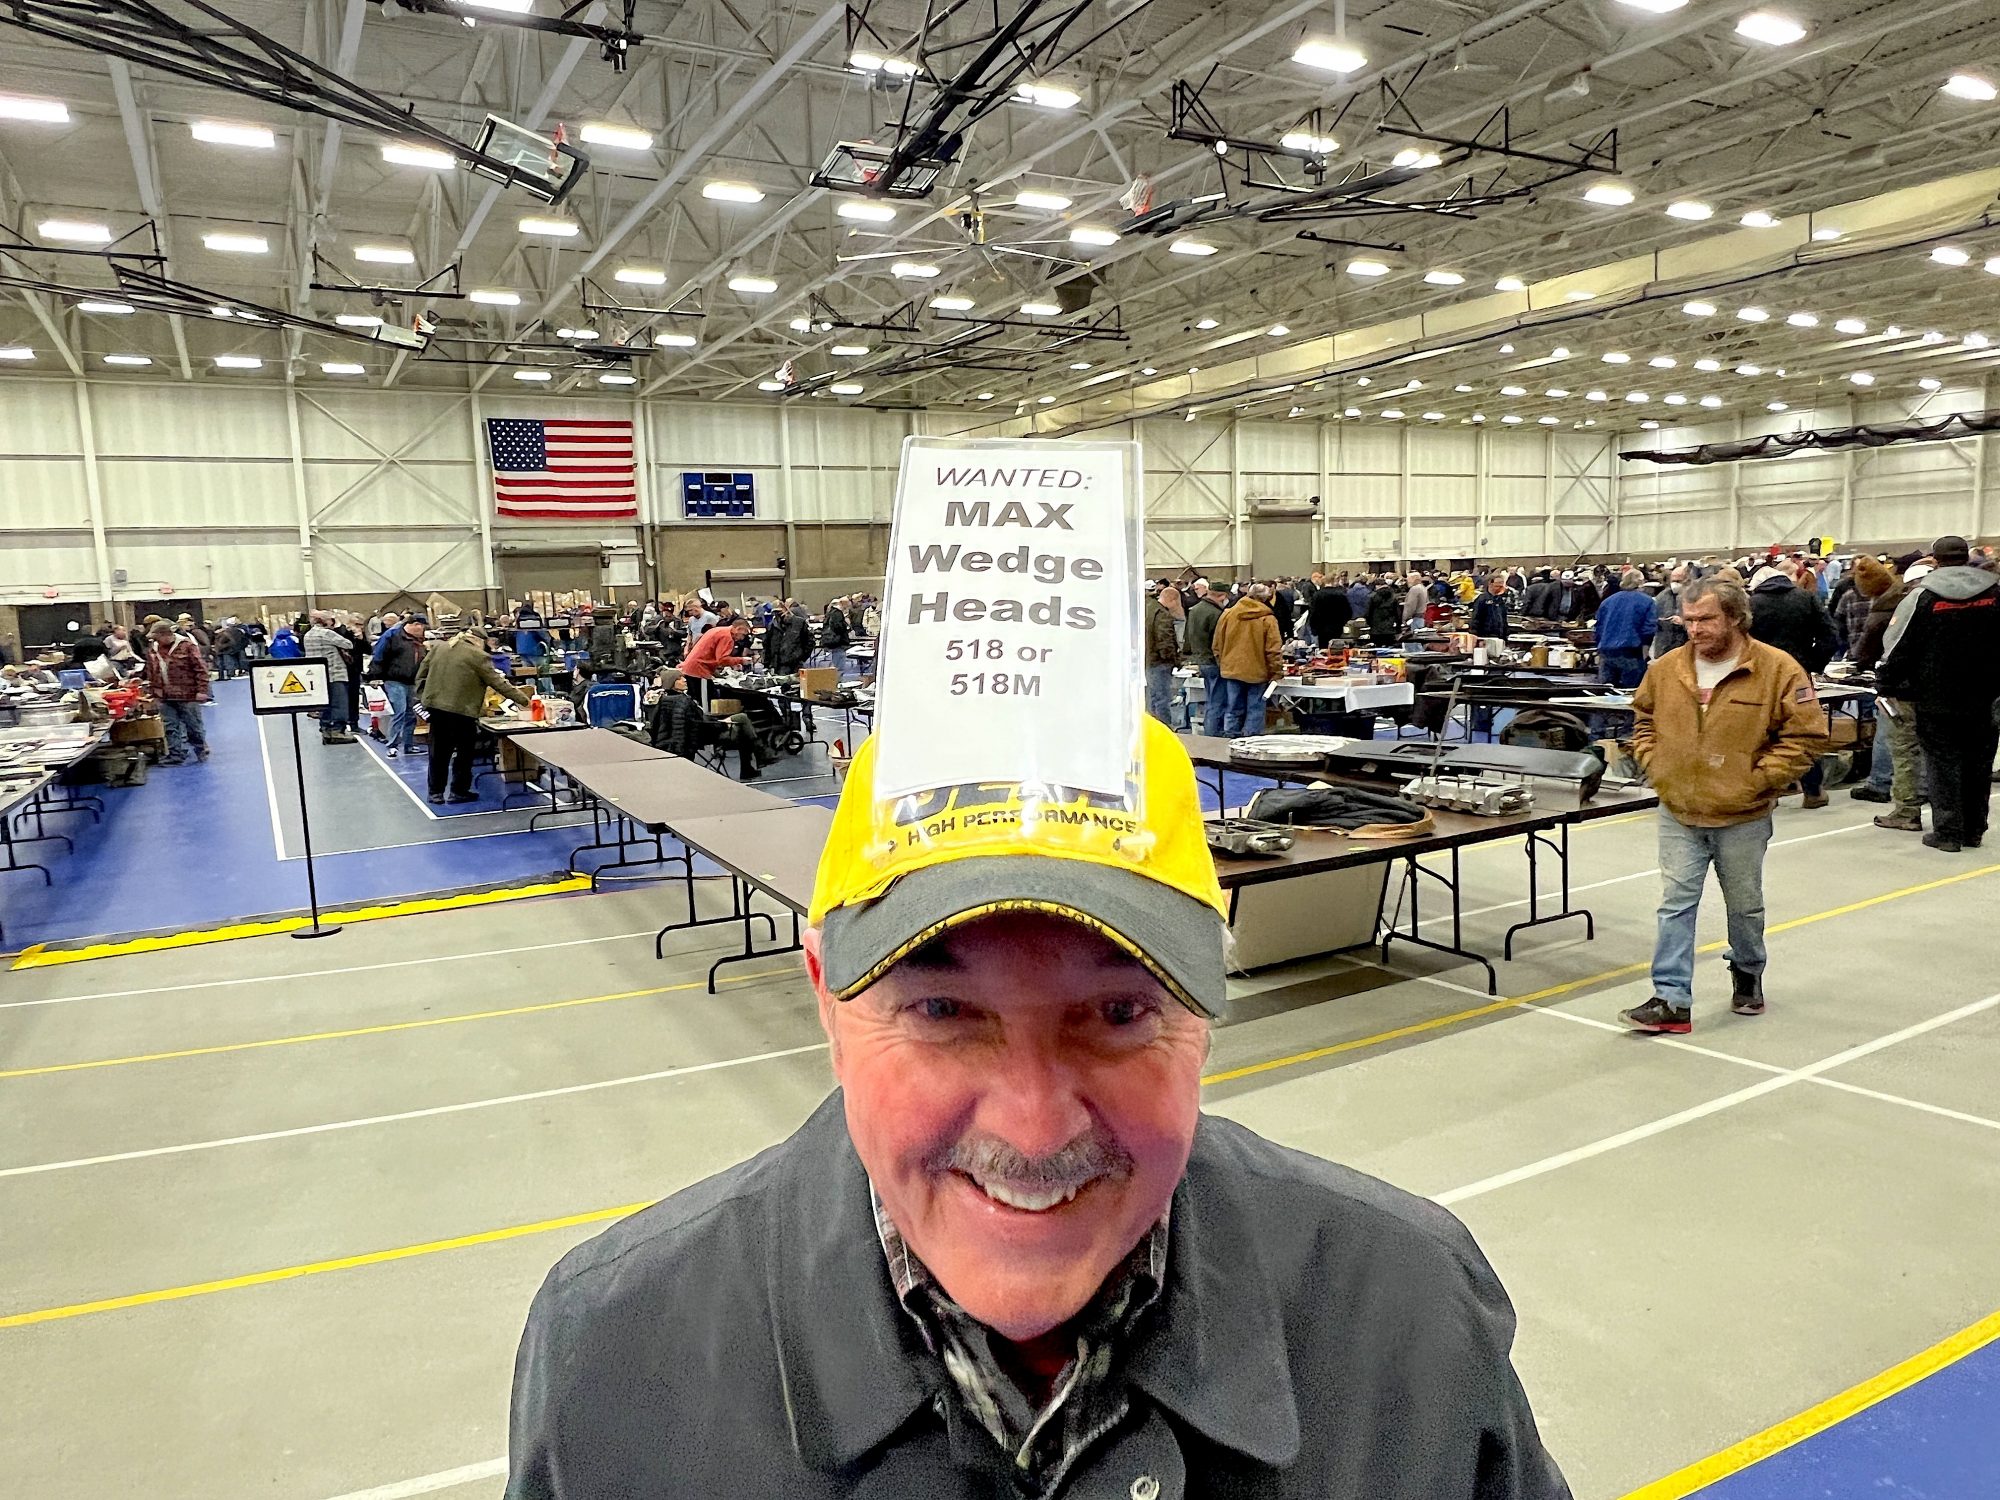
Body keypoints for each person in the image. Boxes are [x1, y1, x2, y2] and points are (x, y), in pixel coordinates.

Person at [504, 720, 1570, 1500]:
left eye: (1115, 1012)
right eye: (942, 1010)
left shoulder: (1407, 1311)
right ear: (826, 999)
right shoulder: (616, 1352)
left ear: (1206, 1011)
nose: (1032, 1130)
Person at [1621, 577, 1827, 1034]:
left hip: (1743, 813)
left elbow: (1807, 735)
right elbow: (1643, 718)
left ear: (1736, 617)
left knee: (1744, 905)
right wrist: (1656, 764)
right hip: (1679, 807)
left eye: (1707, 619)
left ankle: (1748, 972)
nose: (1696, 629)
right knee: (1675, 902)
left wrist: (1758, 780)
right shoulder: (1667, 668)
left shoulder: (1778, 669)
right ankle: (1671, 999)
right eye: (1689, 620)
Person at [1875, 535, 2000, 851]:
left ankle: (1948, 833)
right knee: (1978, 764)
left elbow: (1898, 646)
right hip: (1986, 697)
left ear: (1935, 559)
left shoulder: (1923, 597)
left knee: (1943, 765)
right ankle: (1974, 829)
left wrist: (1886, 682)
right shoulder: (1995, 592)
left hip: (1936, 697)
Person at [1746, 561, 1837, 809]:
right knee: (1802, 731)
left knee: (1760, 733)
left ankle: (1768, 792)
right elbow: (1831, 635)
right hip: (1799, 675)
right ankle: (1813, 790)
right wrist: (1812, 663)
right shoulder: (1807, 599)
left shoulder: (1751, 605)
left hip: (1759, 677)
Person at [415, 623, 531, 804]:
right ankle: (458, 792)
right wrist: (525, 701)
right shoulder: (478, 656)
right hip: (462, 711)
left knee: (438, 752)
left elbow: (421, 674)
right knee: (464, 753)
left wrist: (424, 697)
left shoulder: (439, 647)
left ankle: (435, 792)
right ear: (479, 641)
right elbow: (498, 683)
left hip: (436, 708)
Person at [646, 672, 769, 781]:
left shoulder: (665, 700)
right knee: (742, 722)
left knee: (742, 724)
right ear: (672, 683)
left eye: (683, 677)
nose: (684, 680)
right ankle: (757, 758)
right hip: (705, 735)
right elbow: (700, 725)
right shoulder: (684, 701)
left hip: (696, 733)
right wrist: (722, 724)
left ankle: (756, 760)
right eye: (679, 678)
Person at [1209, 581, 1282, 737]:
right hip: (1257, 672)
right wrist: (1276, 672)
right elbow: (1273, 650)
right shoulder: (1267, 619)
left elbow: (1216, 643)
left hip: (1231, 670)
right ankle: (1251, 741)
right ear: (1265, 599)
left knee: (1233, 707)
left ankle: (1230, 738)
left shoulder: (1228, 614)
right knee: (1255, 708)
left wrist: (1223, 662)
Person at [141, 621, 211, 764]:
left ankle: (200, 749)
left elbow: (200, 669)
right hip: (163, 695)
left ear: (166, 635)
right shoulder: (153, 648)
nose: (154, 640)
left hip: (187, 694)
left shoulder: (187, 646)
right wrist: (151, 689)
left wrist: (202, 690)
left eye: (156, 637)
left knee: (193, 726)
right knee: (169, 726)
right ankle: (175, 754)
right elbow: (150, 669)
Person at [372, 614, 428, 759]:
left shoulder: (419, 640)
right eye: (422, 626)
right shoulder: (392, 636)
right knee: (399, 712)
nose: (423, 630)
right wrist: (375, 676)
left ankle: (409, 745)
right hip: (394, 680)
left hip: (412, 681)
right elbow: (379, 655)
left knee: (411, 713)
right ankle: (392, 746)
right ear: (415, 625)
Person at [1592, 569, 1656, 689]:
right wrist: (1645, 654)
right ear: (1640, 583)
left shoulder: (1607, 601)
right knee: (1630, 694)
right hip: (1631, 654)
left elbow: (1598, 628)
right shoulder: (1647, 602)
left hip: (1606, 653)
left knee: (1606, 693)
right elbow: (1648, 630)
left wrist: (1599, 648)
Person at [302, 610, 356, 745]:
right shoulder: (327, 633)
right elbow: (348, 644)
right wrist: (339, 628)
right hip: (335, 673)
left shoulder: (308, 635)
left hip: (318, 675)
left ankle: (325, 730)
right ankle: (337, 732)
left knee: (325, 704)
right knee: (339, 704)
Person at [1183, 580, 1225, 736]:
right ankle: (1213, 736)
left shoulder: (1194, 610)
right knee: (1217, 702)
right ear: (1222, 596)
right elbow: (1218, 641)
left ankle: (1209, 733)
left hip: (1201, 660)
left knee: (1210, 699)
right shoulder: (1216, 614)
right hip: (1213, 661)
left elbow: (1188, 636)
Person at [681, 617, 753, 701]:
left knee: (695, 700)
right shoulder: (727, 636)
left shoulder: (719, 630)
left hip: (691, 668)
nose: (742, 638)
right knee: (711, 702)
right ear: (738, 629)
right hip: (699, 670)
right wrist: (741, 660)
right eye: (743, 634)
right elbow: (722, 660)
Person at [764, 602, 814, 677]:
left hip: (795, 664)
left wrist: (801, 657)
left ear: (786, 609)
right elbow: (767, 645)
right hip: (777, 665)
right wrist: (767, 664)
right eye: (775, 612)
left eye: (780, 611)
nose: (779, 614)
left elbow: (809, 642)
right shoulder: (772, 626)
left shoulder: (799, 623)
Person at [1651, 566, 1690, 659]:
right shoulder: (1662, 596)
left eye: (1678, 581)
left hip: (1685, 646)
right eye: (1673, 581)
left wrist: (1684, 623)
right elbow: (1652, 616)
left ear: (1687, 580)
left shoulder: (1693, 597)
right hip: (1664, 647)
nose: (1675, 584)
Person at [1308, 574, 1353, 647]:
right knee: (1337, 648)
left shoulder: (1317, 595)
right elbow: (1348, 612)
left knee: (1323, 649)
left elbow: (1313, 612)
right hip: (1337, 627)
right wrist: (1342, 622)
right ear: (1334, 581)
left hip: (1321, 628)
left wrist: (1313, 627)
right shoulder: (1340, 595)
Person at [1469, 574, 1510, 642]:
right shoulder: (1482, 599)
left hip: (1500, 637)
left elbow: (1503, 618)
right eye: (1497, 585)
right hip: (1485, 636)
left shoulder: (1500, 600)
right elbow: (1476, 618)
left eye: (1501, 585)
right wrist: (1474, 635)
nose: (1500, 587)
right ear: (1490, 584)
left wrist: (1506, 634)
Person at [820, 597, 852, 679]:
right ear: (843, 604)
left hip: (831, 642)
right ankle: (836, 684)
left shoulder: (830, 612)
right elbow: (838, 627)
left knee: (834, 665)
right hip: (838, 643)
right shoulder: (837, 613)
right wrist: (846, 626)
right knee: (838, 667)